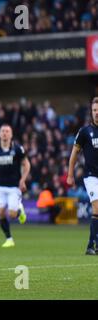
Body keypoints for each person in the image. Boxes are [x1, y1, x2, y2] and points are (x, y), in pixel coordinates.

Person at [0, 124, 30, 248]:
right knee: (0, 213)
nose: (5, 133)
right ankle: (9, 238)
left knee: (12, 214)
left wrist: (23, 180)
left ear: (11, 134)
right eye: (2, 131)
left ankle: (19, 210)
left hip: (14, 186)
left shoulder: (18, 149)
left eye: (7, 131)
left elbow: (26, 164)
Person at [67, 97, 98, 255]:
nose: (97, 112)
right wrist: (70, 174)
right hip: (91, 176)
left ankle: (93, 244)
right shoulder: (85, 132)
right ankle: (93, 245)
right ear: (91, 112)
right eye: (94, 110)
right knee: (96, 207)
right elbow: (74, 154)